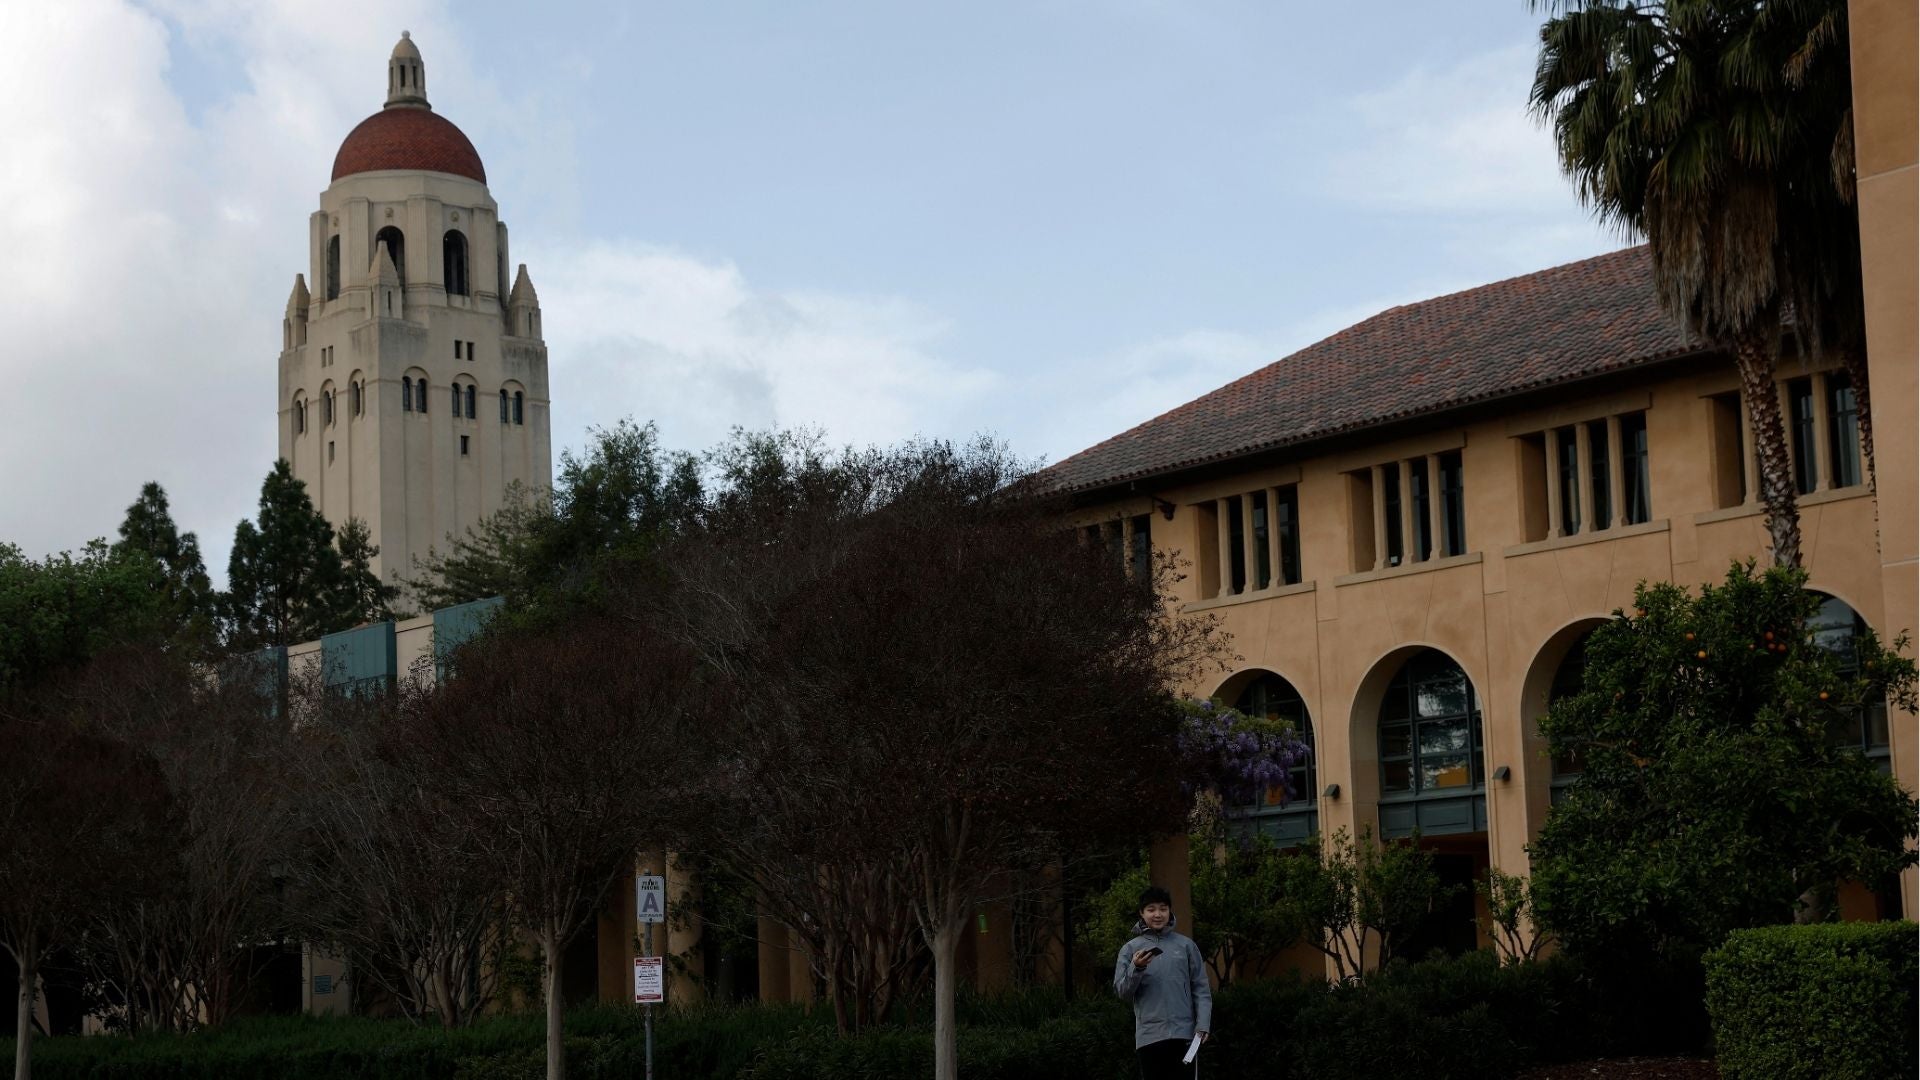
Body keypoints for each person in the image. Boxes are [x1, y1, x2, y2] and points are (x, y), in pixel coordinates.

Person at [1112, 884, 1211, 1078]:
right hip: (1149, 1036)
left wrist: (1203, 1024)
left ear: (1169, 911)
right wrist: (1137, 967)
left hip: (1185, 1035)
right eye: (1151, 909)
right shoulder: (1130, 949)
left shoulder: (1186, 946)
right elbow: (1122, 992)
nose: (1158, 914)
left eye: (1163, 909)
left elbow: (1201, 988)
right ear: (1141, 913)